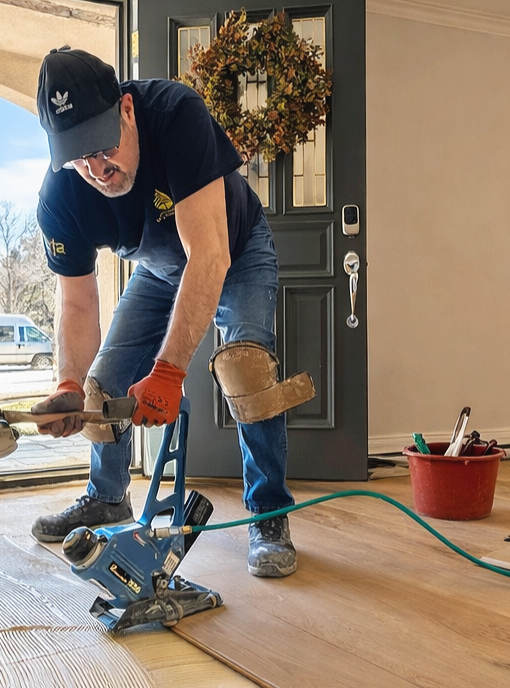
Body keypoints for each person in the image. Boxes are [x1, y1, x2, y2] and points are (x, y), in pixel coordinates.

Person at [29, 46, 306, 578]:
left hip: (234, 248)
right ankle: (107, 497)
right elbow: (77, 302)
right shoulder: (61, 196)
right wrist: (67, 382)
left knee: (248, 373)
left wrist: (169, 371)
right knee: (100, 386)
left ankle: (269, 510)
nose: (97, 169)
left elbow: (210, 255)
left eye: (104, 146)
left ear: (127, 110)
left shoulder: (175, 114)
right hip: (159, 268)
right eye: (78, 156)